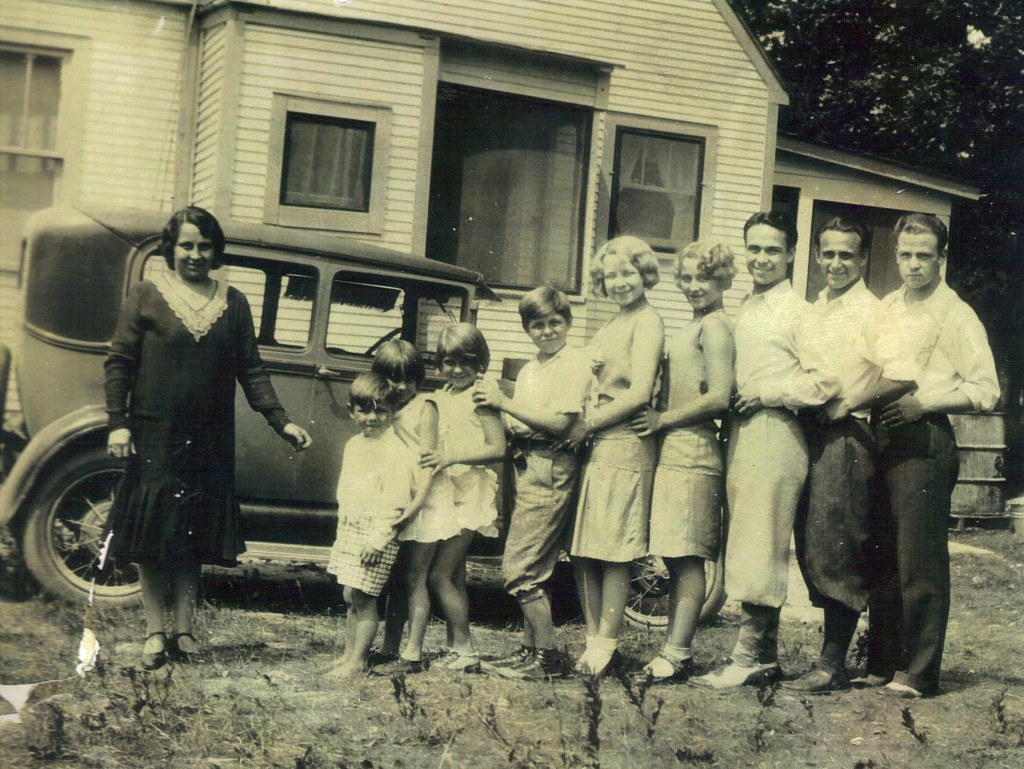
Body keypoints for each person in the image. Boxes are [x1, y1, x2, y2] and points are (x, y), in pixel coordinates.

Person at [104, 206, 312, 670]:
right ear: (171, 248)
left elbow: (251, 370)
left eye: (203, 246)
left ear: (215, 250)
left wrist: (282, 421)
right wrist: (118, 421)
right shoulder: (146, 294)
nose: (195, 255)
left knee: (191, 534)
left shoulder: (233, 302)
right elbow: (120, 361)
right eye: (186, 245)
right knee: (154, 533)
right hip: (155, 432)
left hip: (210, 437)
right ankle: (155, 632)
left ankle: (185, 630)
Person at [694, 212, 838, 690]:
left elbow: (825, 380)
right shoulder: (748, 306)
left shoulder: (799, 312)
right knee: (746, 541)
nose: (761, 258)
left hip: (776, 431)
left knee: (761, 541)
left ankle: (750, 655)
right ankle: (763, 656)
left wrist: (769, 392)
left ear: (791, 254)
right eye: (753, 249)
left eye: (772, 250)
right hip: (742, 432)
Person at [863, 213, 999, 698]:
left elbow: (987, 390)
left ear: (942, 257)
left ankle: (920, 671)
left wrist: (927, 402)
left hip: (925, 441)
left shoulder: (956, 314)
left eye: (924, 255)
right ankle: (881, 660)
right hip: (882, 434)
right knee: (880, 555)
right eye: (906, 254)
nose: (914, 265)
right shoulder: (889, 305)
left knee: (918, 560)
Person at [782, 218, 912, 694]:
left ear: (862, 261)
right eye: (828, 254)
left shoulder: (874, 311)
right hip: (809, 432)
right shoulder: (816, 307)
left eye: (846, 255)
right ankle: (836, 657)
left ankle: (832, 663)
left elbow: (902, 374)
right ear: (817, 257)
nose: (836, 263)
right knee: (813, 545)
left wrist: (852, 402)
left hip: (847, 437)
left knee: (837, 546)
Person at [630, 241, 736, 684]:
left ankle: (678, 653)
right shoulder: (694, 324)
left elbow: (718, 397)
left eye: (704, 279)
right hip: (675, 448)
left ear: (723, 280)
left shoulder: (714, 327)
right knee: (674, 554)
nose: (695, 286)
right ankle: (674, 649)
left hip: (694, 449)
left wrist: (661, 418)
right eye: (688, 279)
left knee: (688, 557)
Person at [473, 286, 591, 681]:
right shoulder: (530, 369)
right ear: (527, 329)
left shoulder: (573, 362)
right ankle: (531, 651)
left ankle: (550, 659)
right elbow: (519, 420)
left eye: (555, 322)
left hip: (552, 463)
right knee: (536, 566)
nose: (546, 331)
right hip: (527, 462)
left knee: (519, 567)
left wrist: (504, 403)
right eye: (537, 325)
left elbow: (561, 423)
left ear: (568, 323)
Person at [563, 236, 665, 676]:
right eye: (611, 276)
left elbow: (640, 392)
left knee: (614, 548)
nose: (620, 282)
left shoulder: (648, 321)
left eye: (628, 272)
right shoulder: (610, 324)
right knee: (585, 548)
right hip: (597, 442)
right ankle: (593, 642)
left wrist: (591, 423)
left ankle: (606, 644)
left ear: (645, 274)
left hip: (623, 440)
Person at [391, 323, 506, 674]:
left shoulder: (481, 397)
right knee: (453, 576)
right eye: (449, 362)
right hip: (448, 493)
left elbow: (497, 448)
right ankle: (458, 645)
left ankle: (468, 650)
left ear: (480, 361)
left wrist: (451, 456)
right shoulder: (443, 394)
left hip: (471, 494)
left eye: (466, 362)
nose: (457, 370)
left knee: (439, 576)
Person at [325, 372, 424, 680]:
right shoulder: (355, 445)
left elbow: (395, 503)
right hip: (352, 530)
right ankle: (347, 654)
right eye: (365, 410)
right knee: (350, 595)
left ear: (391, 411)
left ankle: (357, 661)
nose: (373, 417)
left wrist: (378, 540)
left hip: (377, 535)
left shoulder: (397, 452)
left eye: (381, 410)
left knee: (365, 598)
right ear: (352, 410)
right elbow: (348, 489)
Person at [370, 340, 429, 665]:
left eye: (409, 378)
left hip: (421, 505)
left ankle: (413, 650)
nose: (402, 386)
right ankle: (389, 647)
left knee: (414, 578)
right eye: (394, 378)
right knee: (395, 577)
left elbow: (431, 462)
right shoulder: (383, 409)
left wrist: (417, 504)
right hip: (394, 501)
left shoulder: (424, 408)